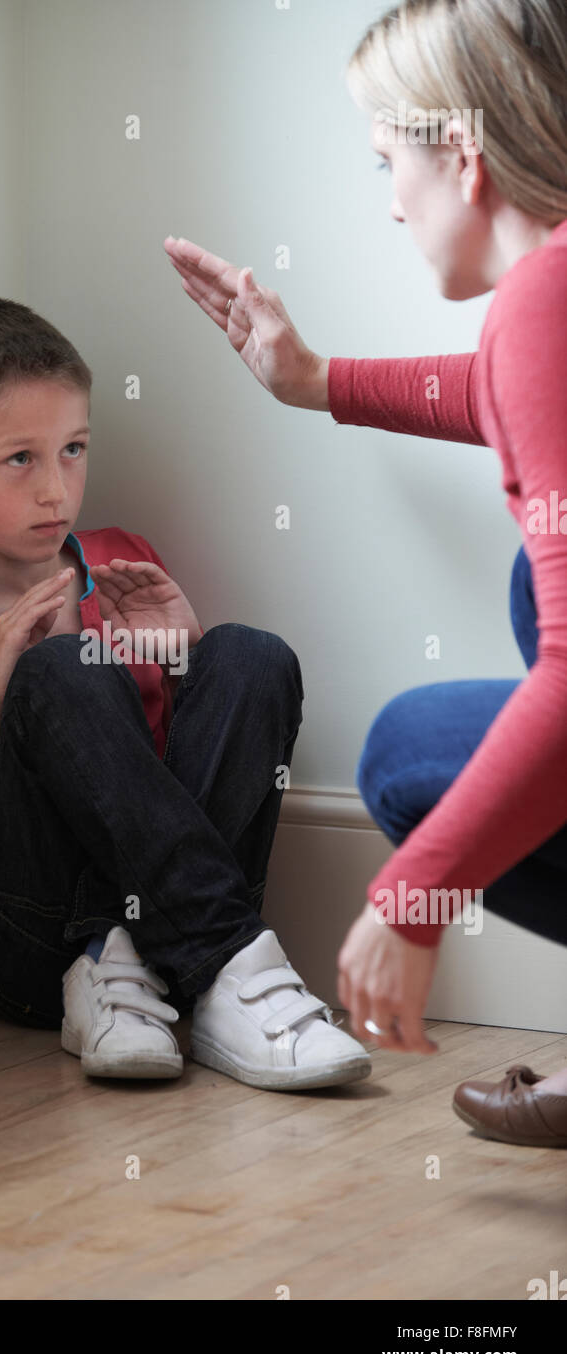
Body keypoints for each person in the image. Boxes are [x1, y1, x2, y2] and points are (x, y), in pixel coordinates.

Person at [163, 0, 567, 1147]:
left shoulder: (540, 304)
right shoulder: (545, 305)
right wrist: (314, 379)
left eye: (389, 160)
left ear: (463, 159)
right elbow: (498, 388)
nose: (389, 198)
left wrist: (407, 899)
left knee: (402, 756)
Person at [0, 296, 372, 1093]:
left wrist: (184, 656)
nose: (56, 489)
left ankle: (197, 973)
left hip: (168, 921)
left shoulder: (120, 560)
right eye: (19, 460)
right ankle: (216, 966)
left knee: (251, 656)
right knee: (62, 671)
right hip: (34, 949)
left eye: (73, 449)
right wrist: (3, 683)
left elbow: (178, 775)